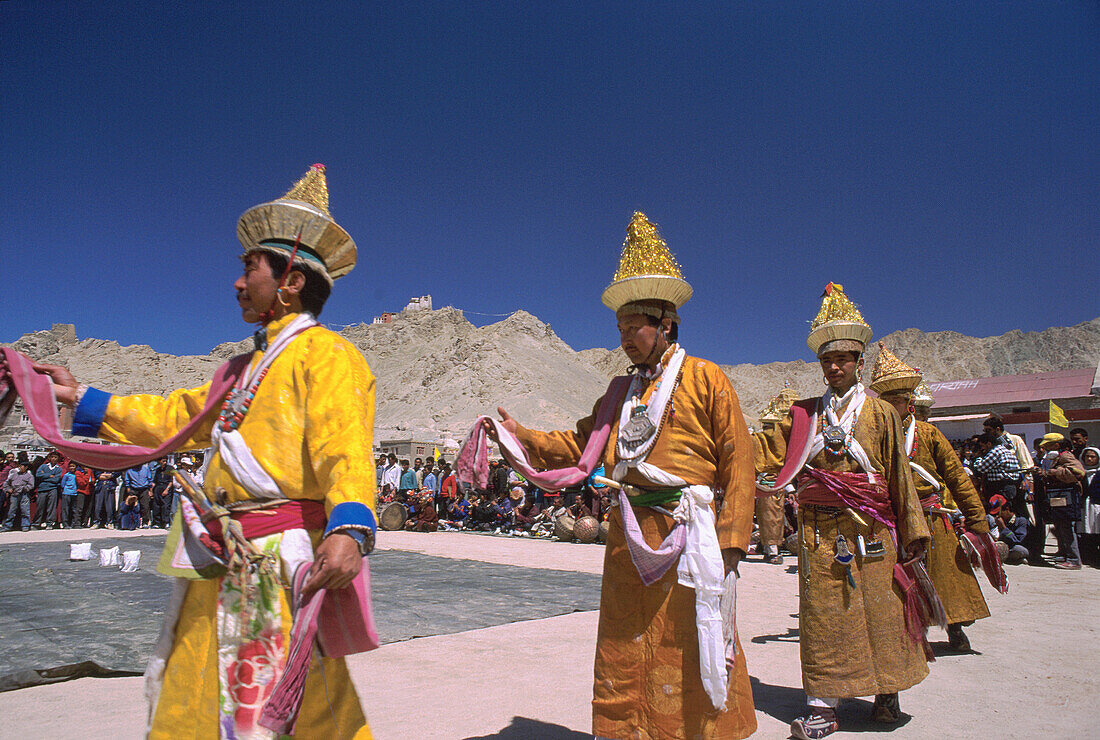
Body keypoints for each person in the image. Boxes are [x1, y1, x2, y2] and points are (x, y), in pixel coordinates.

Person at [32, 164, 377, 738]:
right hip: (222, 560)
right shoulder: (240, 372)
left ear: (290, 279)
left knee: (286, 706)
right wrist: (80, 398)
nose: (238, 282)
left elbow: (346, 450)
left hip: (276, 559)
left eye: (249, 268)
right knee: (197, 686)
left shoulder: (328, 356)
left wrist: (349, 528)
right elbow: (175, 416)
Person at [480, 213, 757, 740]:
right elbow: (580, 445)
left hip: (688, 537)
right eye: (621, 330)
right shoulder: (618, 394)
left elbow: (738, 460)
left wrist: (732, 541)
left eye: (635, 328)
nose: (626, 339)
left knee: (688, 644)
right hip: (627, 543)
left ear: (666, 324)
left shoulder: (707, 378)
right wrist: (521, 435)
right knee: (626, 646)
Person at [753, 284, 930, 739]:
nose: (834, 367)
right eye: (827, 361)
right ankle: (822, 707)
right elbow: (766, 454)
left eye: (843, 360)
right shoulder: (804, 416)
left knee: (882, 610)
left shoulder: (881, 414)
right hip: (817, 532)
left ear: (858, 363)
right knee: (824, 617)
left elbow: (898, 476)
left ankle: (887, 692)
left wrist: (913, 534)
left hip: (873, 527)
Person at [870, 345, 992, 652]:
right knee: (900, 580)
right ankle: (912, 636)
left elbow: (957, 478)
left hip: (932, 516)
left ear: (909, 401)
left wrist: (977, 519)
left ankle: (955, 627)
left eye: (898, 399)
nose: (892, 405)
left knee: (946, 575)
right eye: (886, 400)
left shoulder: (929, 434)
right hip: (892, 519)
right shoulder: (874, 435)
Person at [1032, 433, 1085, 569]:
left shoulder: (1065, 456)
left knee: (1066, 526)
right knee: (1060, 525)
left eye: (1048, 446)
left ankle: (1074, 559)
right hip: (1057, 496)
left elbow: (1079, 472)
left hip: (1065, 495)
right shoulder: (1055, 457)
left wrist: (1054, 472)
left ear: (1056, 445)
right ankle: (1065, 554)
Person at [971, 432, 1021, 513]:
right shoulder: (1005, 450)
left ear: (989, 444)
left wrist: (978, 458)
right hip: (1010, 486)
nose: (982, 449)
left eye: (982, 446)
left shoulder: (995, 452)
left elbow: (980, 468)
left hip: (1000, 487)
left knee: (999, 512)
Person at [990, 494, 1030, 565]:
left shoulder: (1021, 521)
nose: (998, 516)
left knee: (1019, 550)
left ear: (1007, 509)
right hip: (1003, 547)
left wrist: (1004, 528)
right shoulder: (999, 521)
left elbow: (1018, 540)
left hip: (1014, 547)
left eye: (999, 513)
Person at [1076, 446, 1100, 562]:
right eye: (1087, 456)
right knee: (1085, 529)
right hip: (1084, 506)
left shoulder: (1098, 473)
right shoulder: (1080, 473)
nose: (1089, 459)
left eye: (1092, 457)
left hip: (1096, 505)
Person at [33, 450, 64, 529]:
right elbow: (38, 475)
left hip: (53, 489)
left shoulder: (59, 469)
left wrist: (45, 476)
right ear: (49, 458)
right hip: (42, 488)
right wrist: (50, 476)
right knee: (40, 506)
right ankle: (36, 523)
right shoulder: (43, 466)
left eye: (55, 457)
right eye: (52, 457)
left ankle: (49, 523)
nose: (53, 459)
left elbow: (56, 480)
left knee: (51, 507)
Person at [2, 458, 34, 531]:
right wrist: (8, 489)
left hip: (24, 494)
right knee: (11, 510)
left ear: (26, 467)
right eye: (20, 466)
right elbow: (6, 483)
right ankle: (7, 526)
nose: (21, 467)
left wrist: (24, 488)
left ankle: (25, 525)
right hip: (14, 494)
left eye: (23, 466)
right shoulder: (13, 474)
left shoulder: (29, 476)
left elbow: (31, 485)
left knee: (25, 510)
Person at [124, 462, 154, 527]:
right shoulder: (129, 470)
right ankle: (132, 521)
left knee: (145, 506)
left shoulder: (146, 469)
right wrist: (128, 489)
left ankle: (145, 522)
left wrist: (150, 490)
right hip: (133, 489)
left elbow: (149, 480)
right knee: (132, 506)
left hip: (144, 489)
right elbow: (127, 481)